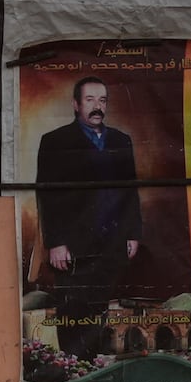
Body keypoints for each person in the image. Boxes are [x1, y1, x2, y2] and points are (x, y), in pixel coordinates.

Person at [33, 77, 145, 350]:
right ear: (75, 104)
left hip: (111, 244)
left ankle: (96, 373)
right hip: (72, 247)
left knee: (101, 312)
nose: (98, 106)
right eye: (90, 100)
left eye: (102, 100)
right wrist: (56, 242)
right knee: (73, 312)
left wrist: (132, 233)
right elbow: (47, 196)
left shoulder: (121, 140)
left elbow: (130, 191)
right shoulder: (55, 141)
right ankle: (75, 371)